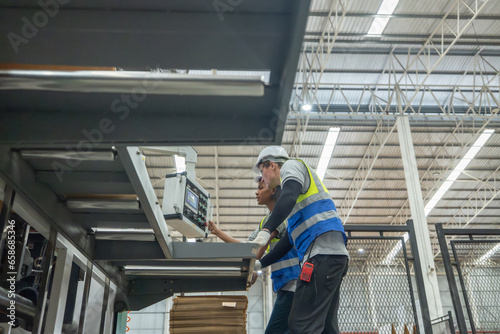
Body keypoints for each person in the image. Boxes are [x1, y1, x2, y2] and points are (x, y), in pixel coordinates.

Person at [249, 146, 349, 334]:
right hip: (331, 256)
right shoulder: (294, 206)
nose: (262, 178)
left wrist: (267, 229)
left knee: (301, 324)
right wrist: (259, 264)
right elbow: (288, 242)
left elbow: (288, 195)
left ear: (272, 164)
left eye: (262, 171)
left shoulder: (291, 166)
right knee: (327, 326)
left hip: (322, 254)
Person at [208, 178, 300, 334]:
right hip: (285, 284)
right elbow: (247, 247)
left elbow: (257, 252)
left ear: (272, 190)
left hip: (294, 283)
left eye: (260, 187)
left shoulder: (281, 217)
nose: (256, 192)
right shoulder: (265, 222)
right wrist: (217, 232)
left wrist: (254, 268)